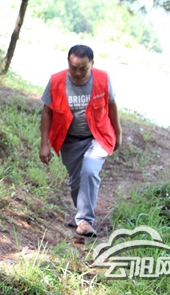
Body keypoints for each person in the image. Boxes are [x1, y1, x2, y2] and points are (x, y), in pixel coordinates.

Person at [38, 45, 122, 237]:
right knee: (76, 181)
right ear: (68, 62)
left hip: (98, 136)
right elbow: (47, 112)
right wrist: (44, 144)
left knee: (90, 170)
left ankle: (85, 221)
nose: (77, 73)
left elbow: (112, 105)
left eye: (83, 69)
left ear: (92, 64)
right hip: (69, 139)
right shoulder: (56, 81)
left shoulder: (103, 78)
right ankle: (81, 216)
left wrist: (118, 133)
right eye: (73, 67)